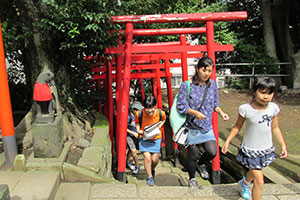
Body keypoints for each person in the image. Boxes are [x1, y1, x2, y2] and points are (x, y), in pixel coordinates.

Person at [222, 77, 288, 200]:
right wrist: (227, 141)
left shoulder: (273, 108)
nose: (266, 97)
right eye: (262, 92)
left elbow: (275, 128)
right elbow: (237, 126)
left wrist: (283, 144)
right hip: (251, 150)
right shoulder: (245, 109)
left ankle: (244, 183)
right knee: (260, 181)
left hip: (266, 149)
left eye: (269, 93)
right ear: (254, 91)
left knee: (254, 171)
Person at [177, 56, 229, 187]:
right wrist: (194, 112)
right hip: (192, 126)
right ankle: (192, 178)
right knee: (193, 154)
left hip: (206, 126)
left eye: (209, 71)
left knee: (212, 151)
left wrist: (221, 112)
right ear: (197, 69)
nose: (206, 73)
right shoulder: (186, 85)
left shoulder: (212, 85)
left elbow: (215, 103)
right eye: (204, 70)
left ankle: (201, 165)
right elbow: (181, 106)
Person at [135, 96, 166, 186]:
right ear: (144, 107)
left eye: (152, 110)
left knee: (155, 160)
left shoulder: (161, 113)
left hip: (156, 138)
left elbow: (164, 119)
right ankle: (150, 177)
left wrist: (160, 126)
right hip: (144, 138)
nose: (150, 112)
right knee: (147, 158)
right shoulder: (139, 113)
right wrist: (138, 130)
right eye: (148, 110)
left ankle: (151, 169)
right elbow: (137, 122)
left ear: (155, 106)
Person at [126, 101, 143, 174]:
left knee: (130, 150)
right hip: (129, 136)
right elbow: (124, 128)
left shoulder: (139, 116)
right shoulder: (128, 117)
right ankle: (137, 166)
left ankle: (127, 162)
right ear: (133, 109)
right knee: (133, 151)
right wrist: (133, 133)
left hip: (136, 136)